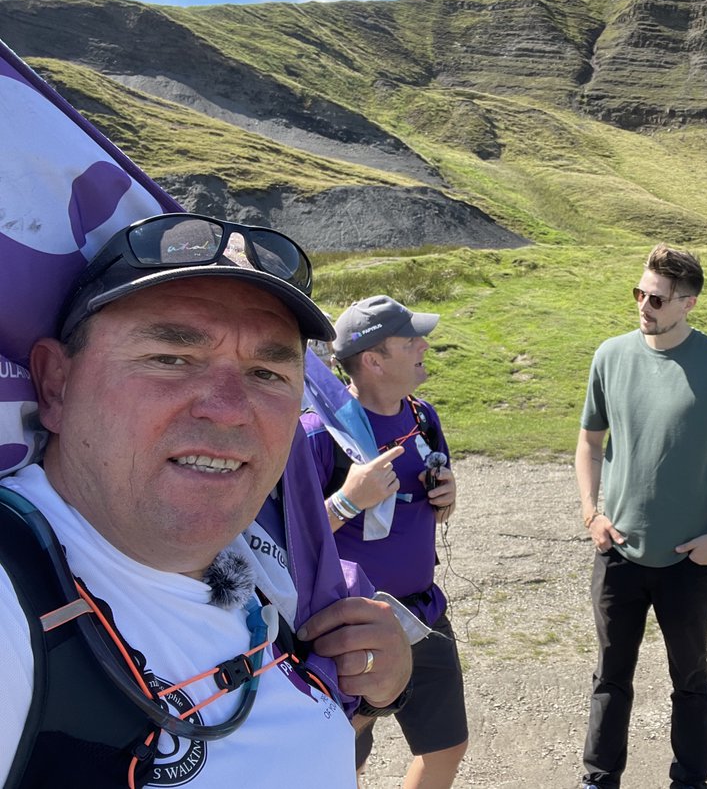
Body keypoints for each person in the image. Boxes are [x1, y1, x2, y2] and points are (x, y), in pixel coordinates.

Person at [0, 213, 412, 787]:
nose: (228, 407)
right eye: (171, 359)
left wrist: (374, 693)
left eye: (267, 372)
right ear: (56, 386)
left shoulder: (277, 575)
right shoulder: (12, 598)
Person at [574, 243, 707, 789]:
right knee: (610, 676)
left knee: (690, 679)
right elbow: (588, 444)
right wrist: (592, 515)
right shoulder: (610, 355)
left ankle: (690, 781)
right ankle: (598, 779)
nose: (643, 306)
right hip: (617, 552)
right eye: (638, 293)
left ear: (689, 303)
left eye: (656, 298)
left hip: (688, 559)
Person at [303, 295, 467, 789]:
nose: (424, 344)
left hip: (424, 612)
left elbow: (432, 504)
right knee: (341, 758)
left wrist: (448, 496)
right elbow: (288, 540)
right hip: (351, 625)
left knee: (446, 747)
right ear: (373, 360)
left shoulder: (422, 418)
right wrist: (348, 502)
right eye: (410, 339)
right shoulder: (318, 434)